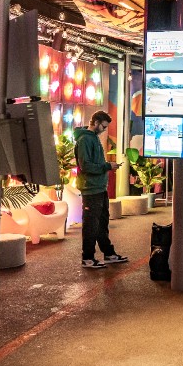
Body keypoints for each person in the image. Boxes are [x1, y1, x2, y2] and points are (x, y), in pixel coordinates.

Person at [74, 111, 128, 269]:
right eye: (103, 126)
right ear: (96, 122)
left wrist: (107, 167)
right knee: (91, 225)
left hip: (99, 188)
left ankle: (108, 253)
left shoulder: (93, 138)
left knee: (101, 224)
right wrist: (107, 166)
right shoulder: (85, 139)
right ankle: (88, 258)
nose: (104, 130)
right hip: (91, 189)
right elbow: (86, 166)